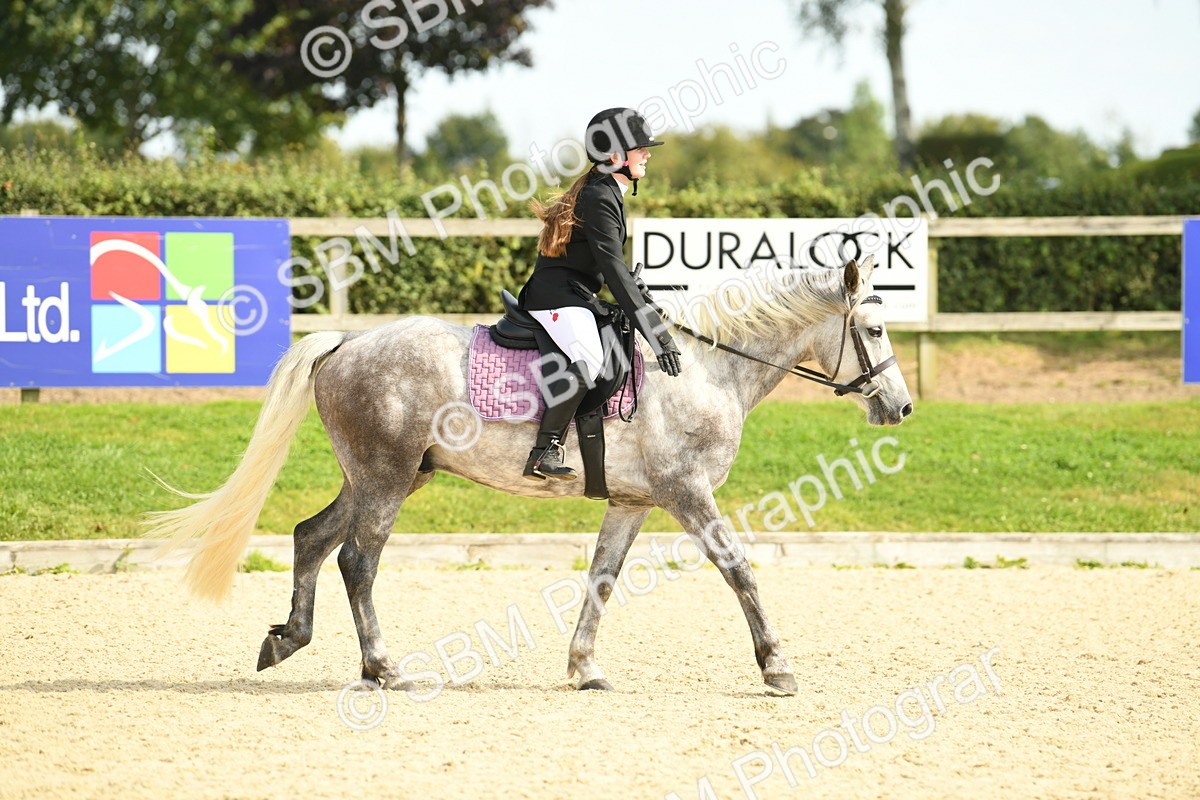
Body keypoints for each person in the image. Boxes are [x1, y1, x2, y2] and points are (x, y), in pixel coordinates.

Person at [518, 107, 683, 481]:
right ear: (615, 157)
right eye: (640, 148)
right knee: (589, 358)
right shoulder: (599, 195)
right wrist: (658, 336)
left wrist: (630, 282)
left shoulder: (606, 189)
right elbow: (613, 272)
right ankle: (544, 451)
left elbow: (611, 268)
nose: (648, 153)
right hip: (555, 297)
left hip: (574, 292)